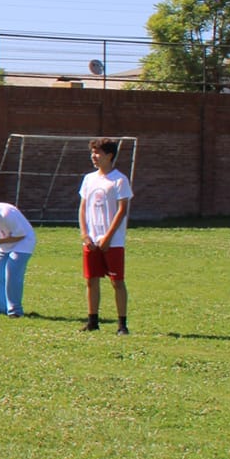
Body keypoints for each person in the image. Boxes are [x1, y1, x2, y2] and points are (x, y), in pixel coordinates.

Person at [77, 138, 132, 334]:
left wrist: (108, 237)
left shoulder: (119, 180)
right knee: (91, 280)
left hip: (112, 242)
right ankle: (93, 321)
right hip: (91, 240)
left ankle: (122, 325)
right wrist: (85, 234)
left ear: (109, 156)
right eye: (92, 152)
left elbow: (122, 210)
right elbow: (83, 208)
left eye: (97, 153)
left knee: (117, 282)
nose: (94, 156)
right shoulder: (89, 179)